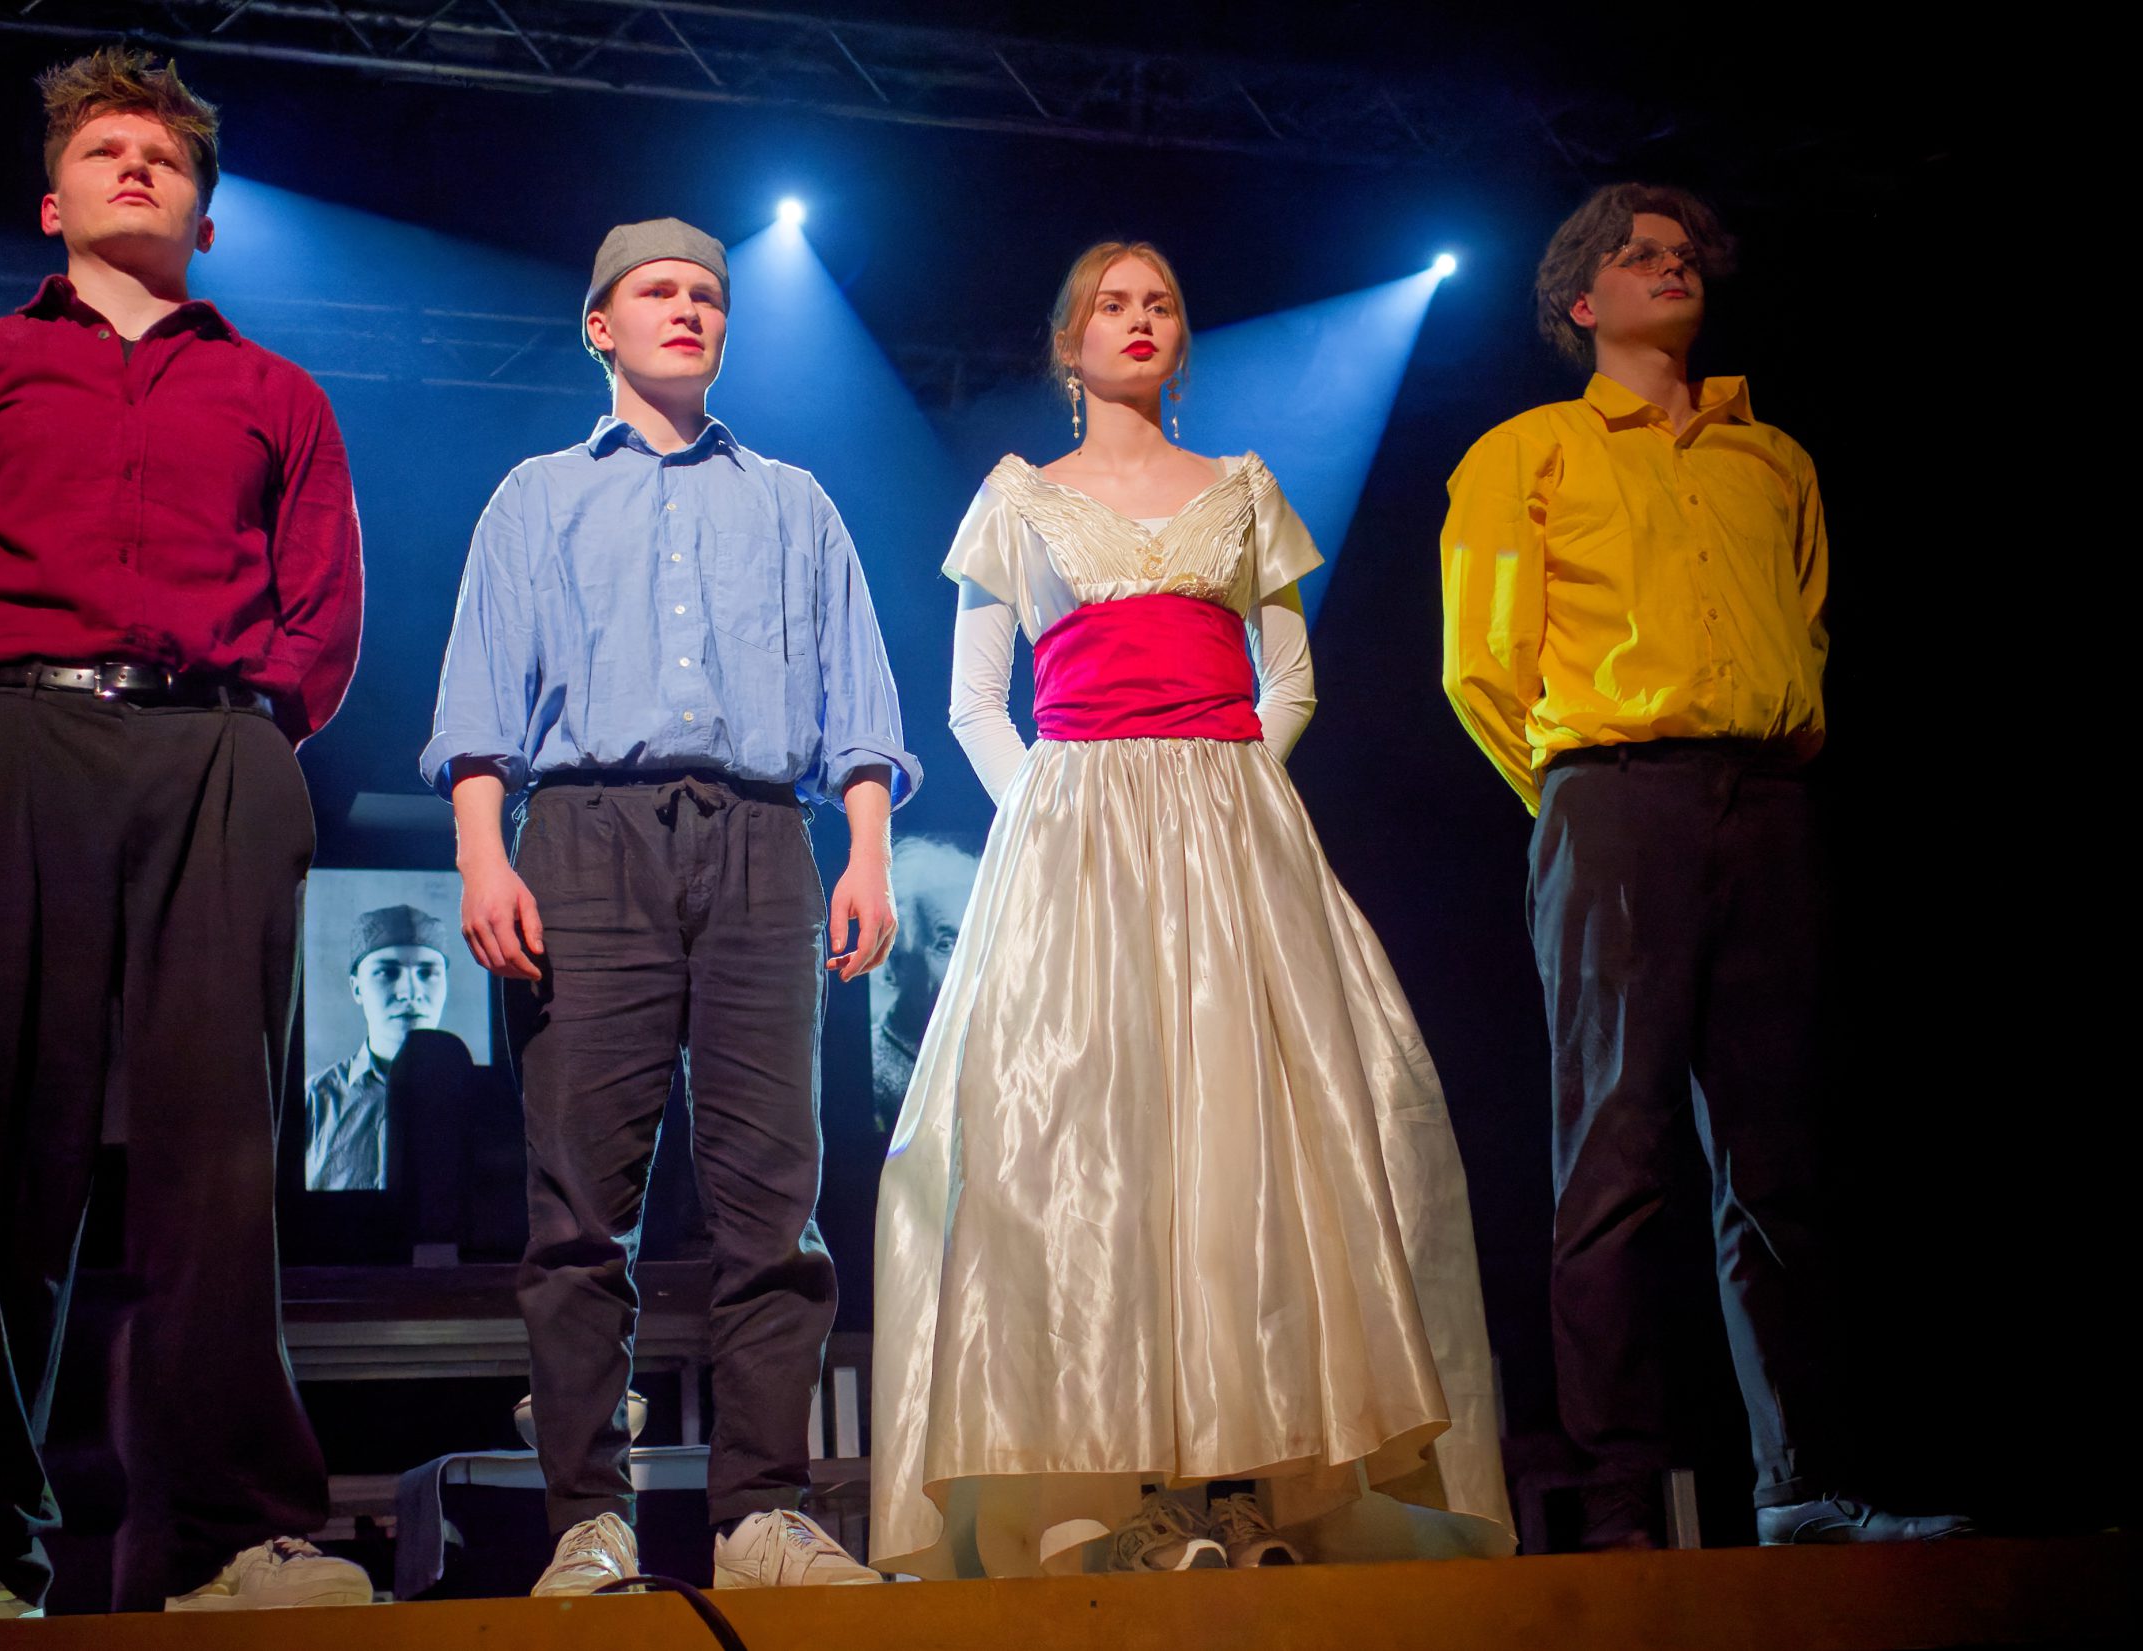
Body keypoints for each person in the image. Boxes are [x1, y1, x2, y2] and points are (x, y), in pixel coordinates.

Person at [872, 241, 1512, 1579]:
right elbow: (975, 704)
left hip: (1230, 828)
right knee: (1082, 1138)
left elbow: (1291, 680)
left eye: (1159, 302)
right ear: (1068, 344)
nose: (1139, 319)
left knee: (1256, 1135)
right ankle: (1109, 1495)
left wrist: (1228, 795)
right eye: (1111, 304)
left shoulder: (1243, 489)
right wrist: (1057, 810)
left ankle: (1259, 1481)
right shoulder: (1018, 500)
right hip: (1076, 830)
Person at [0, 47, 369, 1620]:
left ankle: (234, 1537)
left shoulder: (277, 394)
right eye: (104, 149)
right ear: (52, 200)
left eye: (167, 157)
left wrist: (246, 735)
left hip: (216, 747)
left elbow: (324, 613)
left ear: (206, 218)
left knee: (219, 1154)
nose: (136, 166)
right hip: (15, 736)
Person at [1439, 182, 1968, 1548]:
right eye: (1636, 255)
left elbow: (1805, 623)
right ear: (1581, 300)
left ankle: (1802, 1484)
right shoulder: (1527, 451)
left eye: (1682, 253)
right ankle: (1620, 1497)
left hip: (1768, 800)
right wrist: (1580, 796)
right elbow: (1482, 664)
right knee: (1614, 1151)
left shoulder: (1772, 458)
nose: (1668, 266)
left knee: (1780, 1156)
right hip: (1612, 797)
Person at [424, 216, 916, 1595]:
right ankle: (589, 1517)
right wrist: (483, 855)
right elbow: (481, 697)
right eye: (658, 291)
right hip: (586, 835)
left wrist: (866, 853)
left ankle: (763, 1512)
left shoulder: (794, 501)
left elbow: (858, 700)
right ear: (602, 325)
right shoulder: (537, 496)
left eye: (707, 293)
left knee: (776, 1198)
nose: (688, 309)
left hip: (763, 837)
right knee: (582, 1203)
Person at [304, 904, 453, 1191]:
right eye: (387, 972)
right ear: (357, 988)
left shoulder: (485, 1101)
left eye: (427, 972)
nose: (409, 993)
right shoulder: (312, 1103)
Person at [866, 835, 977, 1131]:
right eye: (946, 944)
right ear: (894, 963)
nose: (971, 962)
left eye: (976, 939)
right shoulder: (875, 1076)